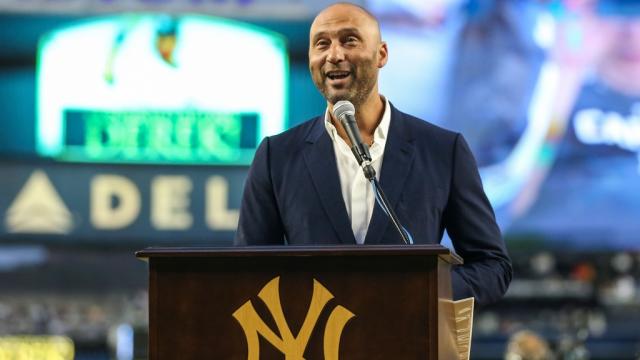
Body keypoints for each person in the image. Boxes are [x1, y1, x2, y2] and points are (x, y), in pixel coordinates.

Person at [234, 2, 512, 307]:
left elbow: (491, 266)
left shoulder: (443, 151)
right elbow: (250, 271)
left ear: (382, 54)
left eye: (349, 40)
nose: (334, 54)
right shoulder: (277, 156)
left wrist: (427, 289)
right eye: (321, 43)